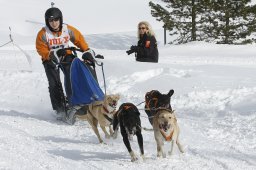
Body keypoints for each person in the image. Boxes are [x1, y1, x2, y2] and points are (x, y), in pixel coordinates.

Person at [36, 7, 93, 123]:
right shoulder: (43, 33)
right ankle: (60, 109)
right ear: (47, 21)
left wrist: (86, 50)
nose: (54, 23)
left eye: (56, 19)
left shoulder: (68, 29)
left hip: (66, 55)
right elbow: (40, 48)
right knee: (54, 83)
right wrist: (49, 55)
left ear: (60, 19)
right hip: (50, 58)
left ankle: (76, 102)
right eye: (50, 20)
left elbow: (79, 40)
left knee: (72, 77)